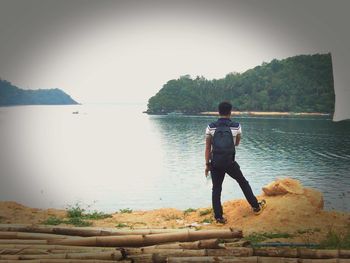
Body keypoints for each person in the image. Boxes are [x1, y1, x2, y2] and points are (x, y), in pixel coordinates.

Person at [205, 101, 266, 224]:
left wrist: (207, 165)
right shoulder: (236, 126)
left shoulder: (210, 127)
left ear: (218, 111)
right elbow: (237, 143)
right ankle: (255, 206)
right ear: (230, 112)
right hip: (230, 162)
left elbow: (207, 148)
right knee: (243, 182)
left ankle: (219, 217)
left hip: (215, 163)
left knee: (216, 189)